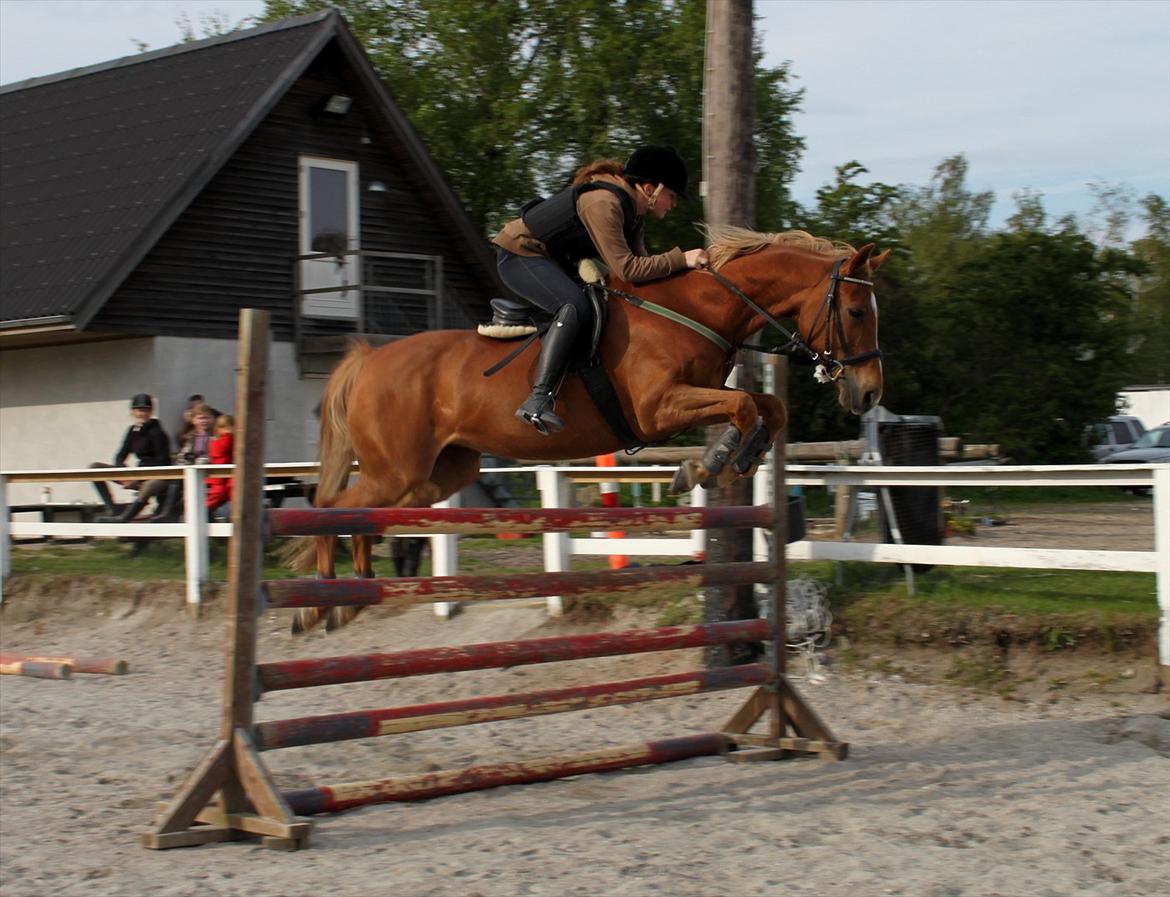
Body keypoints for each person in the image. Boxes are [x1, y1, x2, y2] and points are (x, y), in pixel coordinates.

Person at [492, 145, 709, 434]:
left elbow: (640, 276)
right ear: (650, 188)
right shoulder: (604, 203)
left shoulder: (633, 215)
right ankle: (538, 398)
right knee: (574, 306)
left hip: (551, 259)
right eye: (671, 196)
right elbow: (628, 268)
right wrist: (682, 258)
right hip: (520, 255)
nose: (673, 204)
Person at [91, 394, 172, 522]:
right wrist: (123, 474)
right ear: (133, 412)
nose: (142, 413)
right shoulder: (133, 431)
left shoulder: (157, 432)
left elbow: (162, 461)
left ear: (151, 411)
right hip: (139, 474)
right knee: (95, 468)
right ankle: (112, 508)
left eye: (145, 410)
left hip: (158, 476)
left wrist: (138, 478)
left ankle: (125, 517)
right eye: (139, 410)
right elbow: (120, 455)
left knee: (148, 487)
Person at [151, 403, 216, 523]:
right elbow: (183, 456)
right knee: (167, 484)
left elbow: (209, 457)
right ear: (194, 421)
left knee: (183, 487)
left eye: (207, 418)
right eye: (200, 418)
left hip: (208, 475)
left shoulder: (214, 437)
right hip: (189, 473)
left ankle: (169, 514)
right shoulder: (192, 438)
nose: (204, 421)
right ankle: (165, 514)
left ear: (212, 419)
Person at [206, 413, 234, 520]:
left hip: (224, 479)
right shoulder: (224, 441)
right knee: (213, 501)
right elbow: (221, 452)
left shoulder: (215, 442)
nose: (229, 430)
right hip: (220, 479)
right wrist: (229, 436)